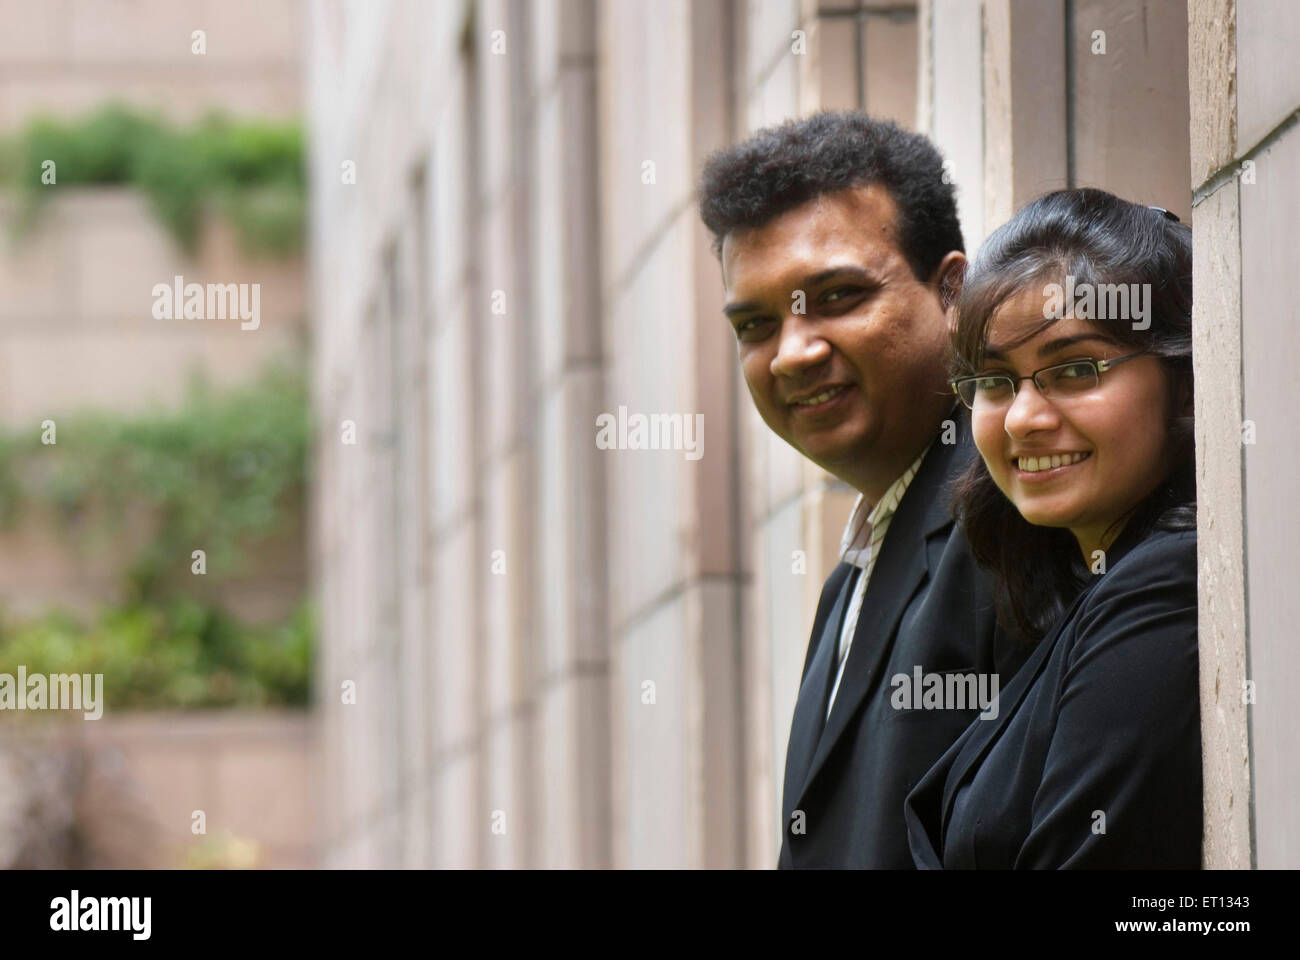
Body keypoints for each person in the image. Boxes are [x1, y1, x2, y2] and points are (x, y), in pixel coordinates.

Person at [697, 111, 1027, 868]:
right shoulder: (856, 569)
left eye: (838, 296)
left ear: (953, 292)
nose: (793, 353)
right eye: (754, 326)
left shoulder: (1015, 514)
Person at [904, 187, 1201, 868]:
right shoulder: (1090, 591)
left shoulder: (1163, 585)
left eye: (1074, 370)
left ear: (1182, 383)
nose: (1021, 419)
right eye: (996, 382)